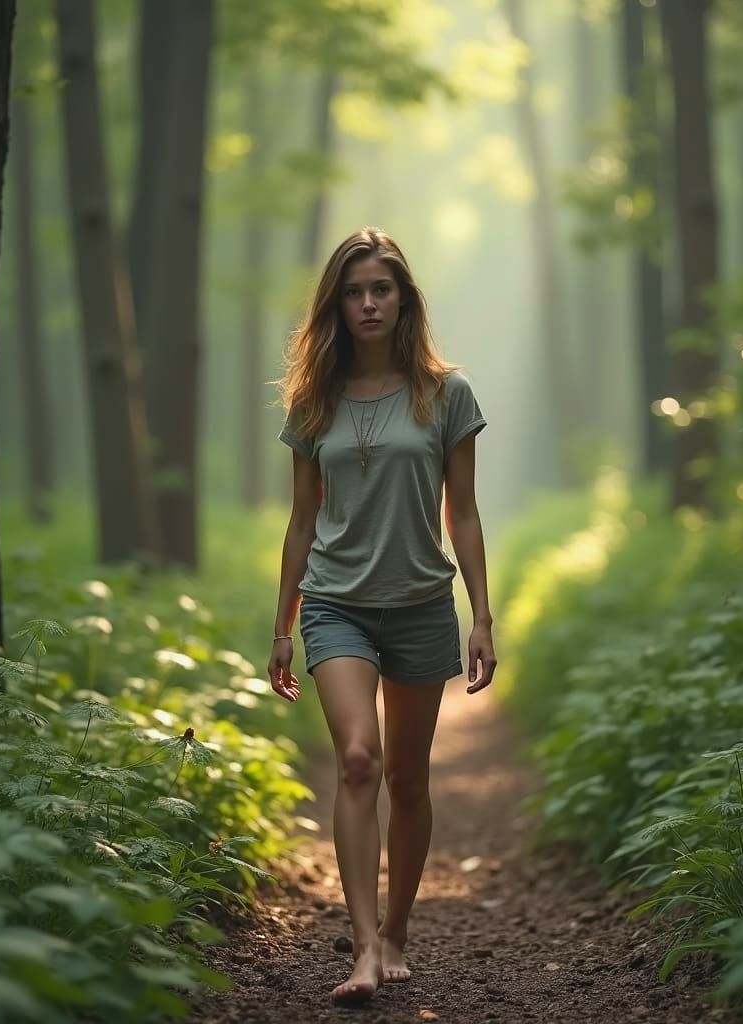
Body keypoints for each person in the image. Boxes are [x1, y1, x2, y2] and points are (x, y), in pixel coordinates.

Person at [267, 226, 497, 1006]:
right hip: (335, 607)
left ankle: (398, 928)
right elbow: (302, 521)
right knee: (358, 759)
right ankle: (363, 946)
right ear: (336, 304)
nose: (368, 304)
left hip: (421, 606)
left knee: (406, 775)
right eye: (354, 292)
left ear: (404, 300)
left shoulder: (446, 392)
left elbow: (462, 515)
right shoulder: (312, 399)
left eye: (381, 290)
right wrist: (281, 627)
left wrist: (482, 616)